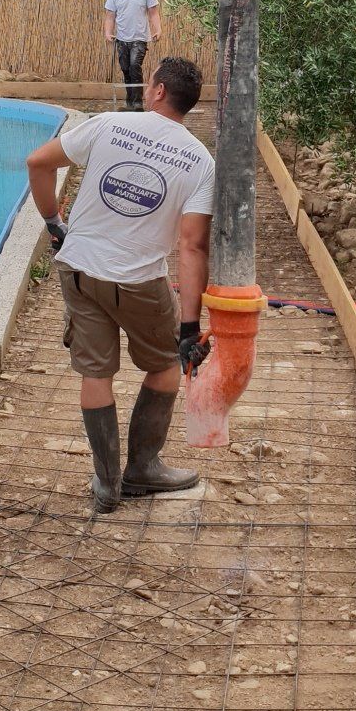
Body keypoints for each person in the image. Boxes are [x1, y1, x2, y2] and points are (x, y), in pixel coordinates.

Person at [26, 56, 214, 513]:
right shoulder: (201, 162)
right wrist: (190, 327)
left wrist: (54, 221)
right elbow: (192, 246)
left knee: (96, 373)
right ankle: (143, 469)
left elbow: (37, 161)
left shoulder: (108, 124)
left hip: (80, 271)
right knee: (167, 365)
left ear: (158, 91)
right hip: (140, 282)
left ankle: (106, 486)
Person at [104, 0, 161, 111]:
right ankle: (130, 101)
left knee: (135, 66)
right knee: (125, 68)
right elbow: (110, 15)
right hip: (122, 38)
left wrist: (158, 29)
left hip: (139, 38)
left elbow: (153, 12)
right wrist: (108, 32)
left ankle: (137, 103)